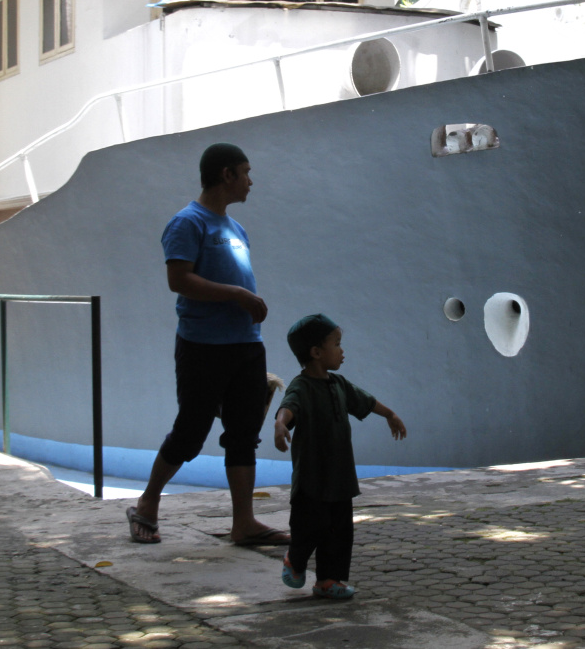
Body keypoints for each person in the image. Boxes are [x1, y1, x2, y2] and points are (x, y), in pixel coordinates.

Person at [126, 143, 287, 547]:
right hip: (202, 346)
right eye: (246, 172)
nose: (251, 181)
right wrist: (237, 294)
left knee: (244, 433)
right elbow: (179, 280)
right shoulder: (187, 223)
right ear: (226, 174)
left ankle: (244, 523)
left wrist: (244, 302)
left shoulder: (236, 228)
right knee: (190, 431)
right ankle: (146, 504)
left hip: (246, 346)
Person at [274, 314, 406, 600]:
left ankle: (328, 580)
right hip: (312, 480)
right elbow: (288, 406)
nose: (342, 350)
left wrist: (390, 414)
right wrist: (280, 423)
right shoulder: (302, 386)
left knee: (339, 532)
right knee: (308, 528)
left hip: (340, 478)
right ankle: (294, 560)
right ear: (316, 352)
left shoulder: (339, 384)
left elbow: (366, 401)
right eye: (337, 344)